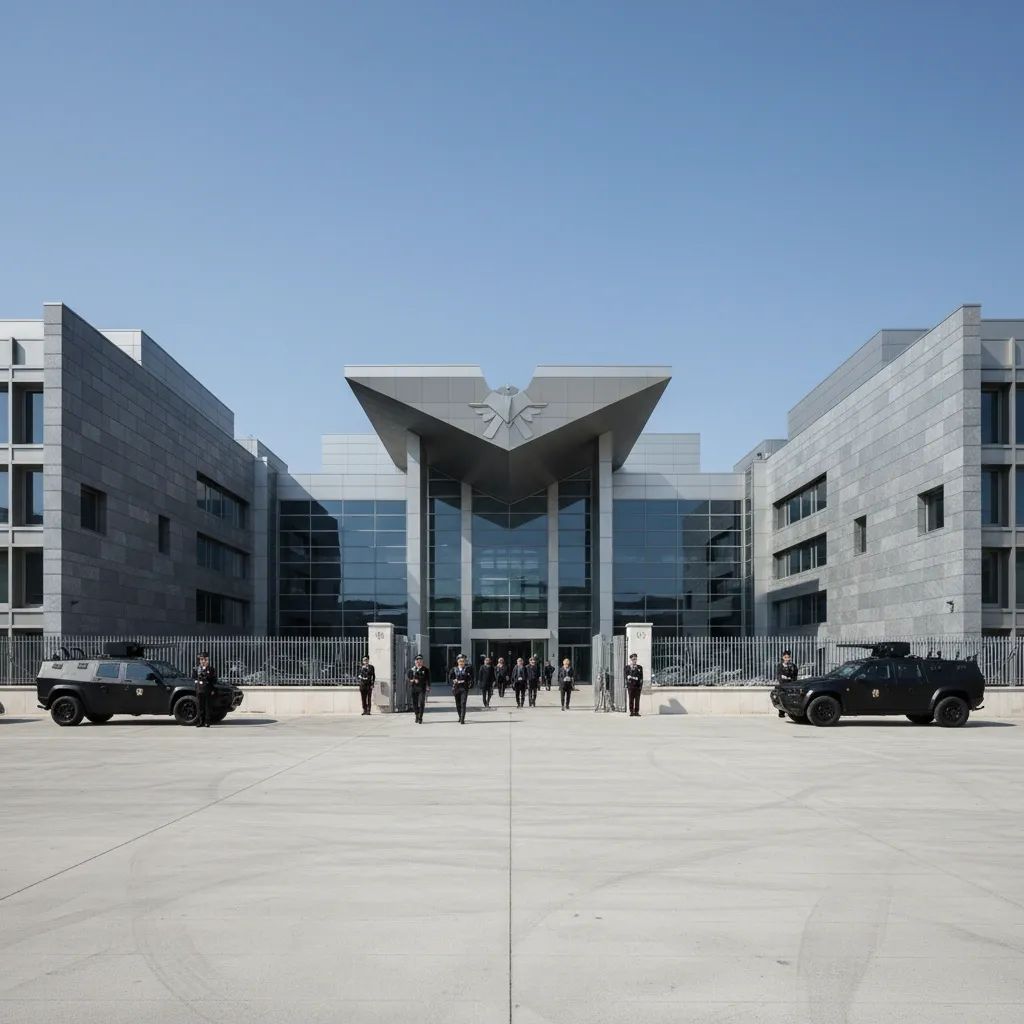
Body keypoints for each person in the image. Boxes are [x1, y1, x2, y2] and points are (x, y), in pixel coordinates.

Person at [191, 651, 217, 727]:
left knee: (207, 706)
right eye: (202, 659)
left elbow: (214, 680)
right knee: (200, 706)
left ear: (208, 660)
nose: (203, 661)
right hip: (199, 690)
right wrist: (196, 686)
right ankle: (200, 721)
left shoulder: (211, 669)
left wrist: (212, 689)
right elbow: (194, 678)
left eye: (205, 660)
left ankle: (207, 722)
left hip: (208, 690)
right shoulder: (196, 669)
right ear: (200, 660)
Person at [449, 654, 474, 724]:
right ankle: (460, 716)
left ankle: (462, 719)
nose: (461, 662)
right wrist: (453, 681)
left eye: (463, 661)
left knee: (463, 703)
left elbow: (471, 678)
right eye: (460, 661)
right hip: (456, 688)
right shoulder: (454, 669)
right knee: (458, 704)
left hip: (464, 688)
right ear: (457, 661)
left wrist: (469, 684)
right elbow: (450, 679)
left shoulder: (468, 669)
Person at [408, 654, 430, 724]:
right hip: (414, 688)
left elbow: (428, 679)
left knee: (421, 702)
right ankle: (417, 715)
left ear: (422, 662)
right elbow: (409, 679)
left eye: (420, 661)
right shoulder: (411, 670)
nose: (419, 662)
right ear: (415, 662)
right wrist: (413, 680)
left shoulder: (426, 670)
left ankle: (420, 717)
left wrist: (428, 686)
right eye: (417, 661)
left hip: (422, 688)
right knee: (414, 703)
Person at [625, 652, 644, 717]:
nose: (634, 660)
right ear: (630, 660)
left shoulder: (639, 667)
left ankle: (636, 712)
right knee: (631, 699)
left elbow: (641, 677)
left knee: (637, 700)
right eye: (633, 659)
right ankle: (631, 712)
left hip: (637, 686)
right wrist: (627, 684)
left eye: (635, 659)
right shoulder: (627, 667)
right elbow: (625, 676)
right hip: (630, 686)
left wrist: (641, 686)